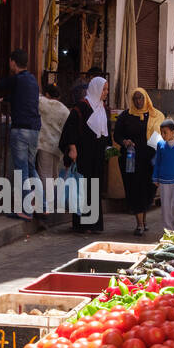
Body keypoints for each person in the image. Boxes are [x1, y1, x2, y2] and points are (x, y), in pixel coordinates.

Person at [0, 47, 41, 220]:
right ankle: (42, 205)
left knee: (21, 170)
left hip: (20, 129)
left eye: (10, 62)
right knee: (31, 167)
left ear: (13, 62)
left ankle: (27, 210)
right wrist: (3, 100)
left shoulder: (16, 79)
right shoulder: (32, 80)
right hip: (34, 129)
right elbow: (20, 98)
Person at [59, 75, 109, 234]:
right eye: (104, 89)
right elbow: (70, 130)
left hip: (97, 156)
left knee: (95, 187)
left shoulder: (102, 108)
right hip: (83, 155)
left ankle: (93, 224)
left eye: (107, 89)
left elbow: (104, 132)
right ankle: (81, 224)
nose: (106, 92)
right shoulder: (81, 107)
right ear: (96, 89)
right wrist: (72, 148)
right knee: (82, 187)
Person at [113, 87, 160, 235]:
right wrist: (124, 142)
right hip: (131, 160)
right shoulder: (126, 116)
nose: (138, 101)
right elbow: (117, 135)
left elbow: (164, 134)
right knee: (135, 189)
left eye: (141, 98)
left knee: (148, 189)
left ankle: (144, 220)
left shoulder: (156, 115)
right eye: (135, 98)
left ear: (146, 98)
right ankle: (139, 224)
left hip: (151, 160)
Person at [36, 82, 70, 182]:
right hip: (58, 147)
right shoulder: (65, 110)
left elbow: (31, 97)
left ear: (46, 94)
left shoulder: (42, 102)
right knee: (55, 174)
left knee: (44, 175)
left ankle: (47, 197)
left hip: (45, 145)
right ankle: (55, 196)